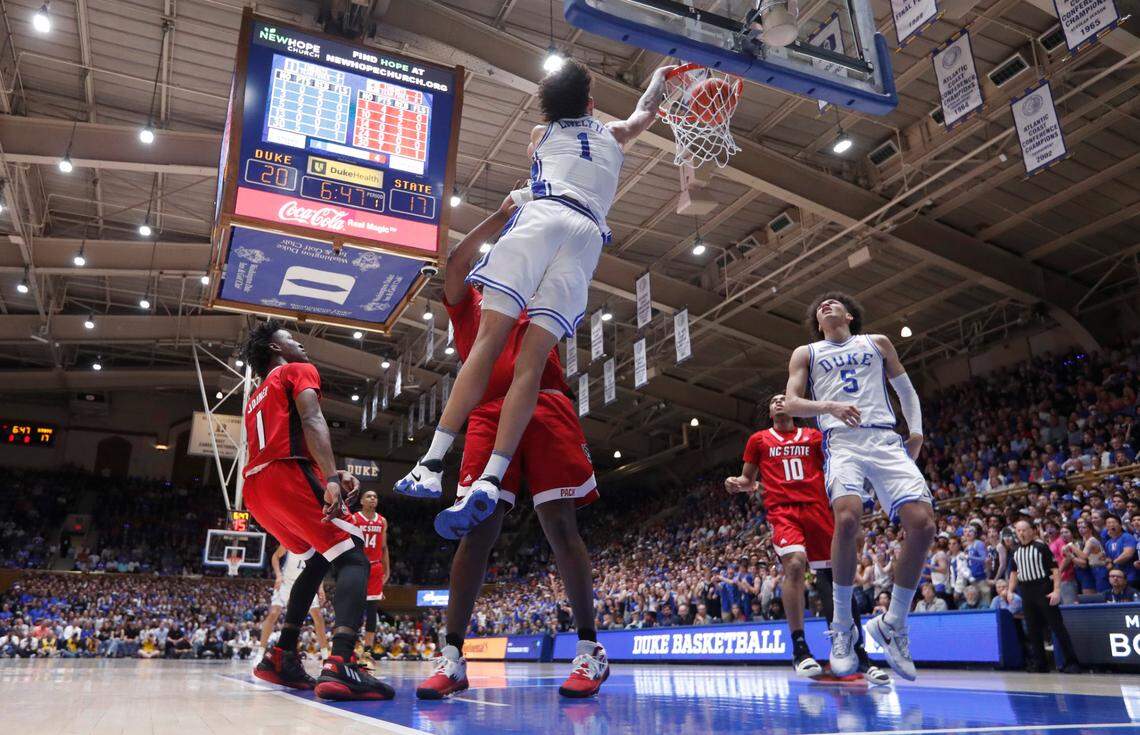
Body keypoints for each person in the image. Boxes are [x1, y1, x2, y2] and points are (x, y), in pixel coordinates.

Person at [395, 60, 675, 539]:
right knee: (531, 364)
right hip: (587, 236)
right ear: (590, 103)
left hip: (542, 215)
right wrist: (662, 78)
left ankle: (432, 462)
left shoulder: (540, 133)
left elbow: (541, 146)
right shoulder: (613, 134)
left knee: (486, 344)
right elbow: (644, 113)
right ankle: (490, 476)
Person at [407, 203, 605, 700]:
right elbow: (454, 263)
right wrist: (501, 216)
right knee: (478, 530)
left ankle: (590, 650)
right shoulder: (471, 301)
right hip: (488, 413)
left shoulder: (539, 290)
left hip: (545, 405)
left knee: (559, 523)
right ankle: (452, 658)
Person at [784, 293, 935, 681]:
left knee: (923, 524)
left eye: (834, 303)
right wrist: (830, 408)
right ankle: (842, 627)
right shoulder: (807, 352)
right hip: (843, 441)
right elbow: (792, 402)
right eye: (820, 306)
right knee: (848, 519)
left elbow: (906, 391)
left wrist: (915, 431)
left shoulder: (877, 342)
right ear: (818, 323)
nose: (826, 305)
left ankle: (893, 623)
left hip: (884, 438)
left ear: (849, 315)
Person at [241, 321, 394, 701]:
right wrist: (328, 478)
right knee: (355, 556)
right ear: (277, 348)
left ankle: (281, 656)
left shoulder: (255, 395)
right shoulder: (297, 370)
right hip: (288, 475)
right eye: (292, 339)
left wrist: (329, 470)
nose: (301, 344)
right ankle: (341, 661)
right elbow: (311, 420)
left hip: (258, 488)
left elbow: (282, 439)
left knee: (317, 559)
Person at [725, 393, 888, 684]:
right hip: (784, 512)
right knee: (796, 564)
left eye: (783, 398)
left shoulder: (813, 436)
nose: (778, 401)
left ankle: (857, 652)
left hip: (818, 510)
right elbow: (749, 480)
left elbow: (834, 468)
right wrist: (737, 484)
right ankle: (800, 649)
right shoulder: (759, 440)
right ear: (770, 410)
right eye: (773, 400)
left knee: (835, 580)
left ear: (794, 407)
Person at [1008, 520, 1081, 673]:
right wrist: (1010, 590)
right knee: (1032, 629)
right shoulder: (1015, 551)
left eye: (1024, 530)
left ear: (1032, 531)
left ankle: (1072, 662)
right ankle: (1040, 664)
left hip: (1043, 588)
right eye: (1018, 530)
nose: (1021, 533)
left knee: (1057, 626)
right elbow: (1014, 573)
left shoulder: (1041, 547)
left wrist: (1056, 591)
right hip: (1026, 591)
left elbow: (1054, 570)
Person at [259, 546, 329, 657]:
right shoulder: (291, 538)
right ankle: (260, 653)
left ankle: (325, 656)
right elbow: (275, 556)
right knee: (273, 613)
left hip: (306, 584)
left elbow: (319, 569)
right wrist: (278, 575)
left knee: (318, 617)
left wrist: (320, 587)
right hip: (286, 583)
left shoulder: (316, 544)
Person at [350, 490, 390, 668]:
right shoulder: (354, 518)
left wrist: (387, 570)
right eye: (369, 496)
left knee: (372, 612)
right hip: (358, 566)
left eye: (375, 496)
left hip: (375, 567)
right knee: (353, 610)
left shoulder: (382, 521)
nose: (373, 498)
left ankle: (367, 652)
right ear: (361, 500)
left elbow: (384, 547)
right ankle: (349, 649)